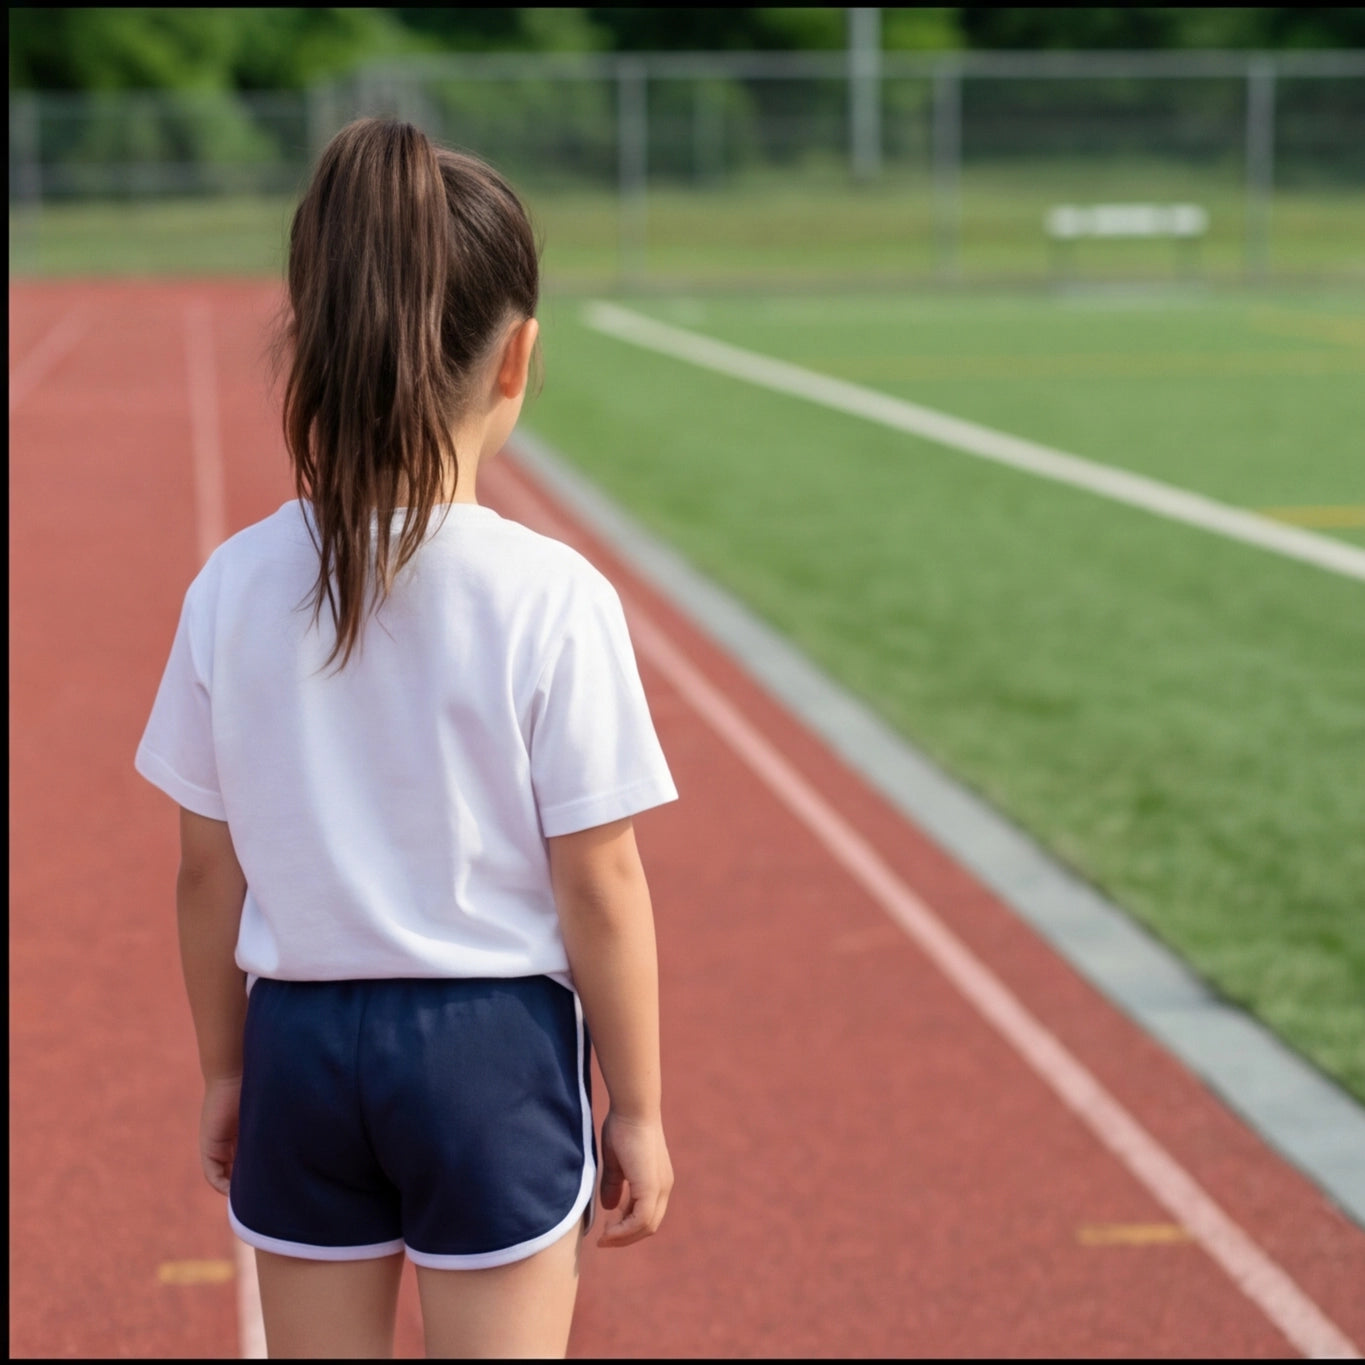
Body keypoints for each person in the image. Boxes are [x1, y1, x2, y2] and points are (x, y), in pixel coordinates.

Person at [134, 117, 677, 1358]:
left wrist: (228, 1071)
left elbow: (203, 868)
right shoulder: (553, 595)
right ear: (517, 359)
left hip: (299, 1048)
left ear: (312, 347)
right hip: (487, 1053)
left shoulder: (231, 584)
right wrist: (636, 1109)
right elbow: (600, 879)